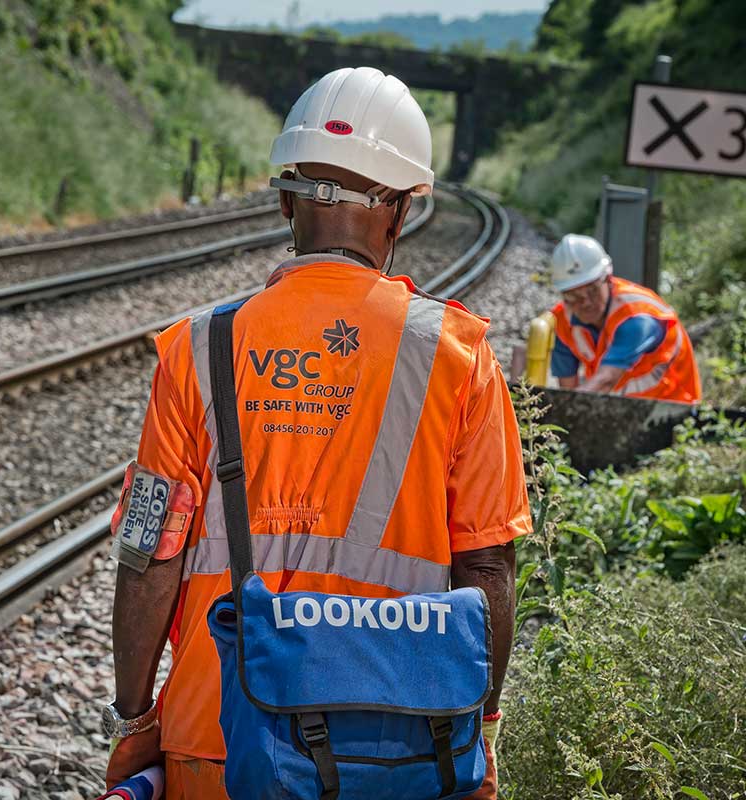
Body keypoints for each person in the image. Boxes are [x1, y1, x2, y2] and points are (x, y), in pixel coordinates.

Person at [102, 66, 532, 800]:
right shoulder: (459, 356)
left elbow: (149, 553)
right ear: (397, 212)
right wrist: (478, 728)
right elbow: (486, 569)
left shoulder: (195, 349)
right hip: (398, 745)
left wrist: (136, 713)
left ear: (283, 198)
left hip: (218, 735)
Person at [549, 234, 701, 403]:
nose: (586, 303)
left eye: (592, 290)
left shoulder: (637, 316)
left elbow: (606, 379)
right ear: (563, 295)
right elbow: (567, 390)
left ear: (608, 279)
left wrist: (569, 409)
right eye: (574, 296)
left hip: (672, 410)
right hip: (616, 412)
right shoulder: (563, 322)